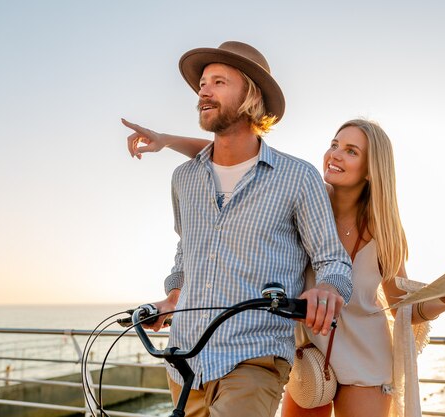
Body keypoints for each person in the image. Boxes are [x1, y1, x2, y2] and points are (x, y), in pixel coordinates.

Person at [123, 117, 445, 417]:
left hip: (367, 362)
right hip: (309, 356)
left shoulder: (384, 231)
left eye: (351, 151)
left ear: (372, 170)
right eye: (335, 144)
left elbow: (401, 306)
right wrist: (166, 141)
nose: (335, 154)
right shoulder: (303, 194)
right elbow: (240, 156)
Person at [127, 41, 353, 417]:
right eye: (202, 83)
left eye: (218, 81)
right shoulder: (184, 178)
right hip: (184, 362)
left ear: (250, 96)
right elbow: (187, 251)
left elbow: (332, 259)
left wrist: (328, 289)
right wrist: (172, 297)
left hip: (254, 359)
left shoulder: (297, 178)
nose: (203, 90)